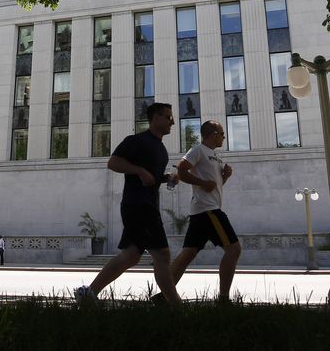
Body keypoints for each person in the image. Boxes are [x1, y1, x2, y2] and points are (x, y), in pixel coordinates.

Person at [75, 102, 182, 304]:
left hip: (146, 205)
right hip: (138, 205)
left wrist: (167, 178)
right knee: (162, 255)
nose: (173, 122)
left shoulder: (160, 148)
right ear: (156, 118)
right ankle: (175, 305)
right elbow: (113, 162)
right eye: (168, 117)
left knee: (132, 255)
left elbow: (152, 177)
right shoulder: (137, 141)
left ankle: (88, 294)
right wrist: (139, 171)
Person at [162, 120, 242, 302]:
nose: (223, 137)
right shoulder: (198, 150)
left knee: (188, 253)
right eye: (222, 134)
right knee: (234, 249)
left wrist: (224, 177)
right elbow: (182, 170)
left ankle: (164, 296)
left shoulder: (215, 155)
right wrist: (202, 183)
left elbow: (214, 186)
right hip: (208, 210)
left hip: (203, 210)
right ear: (213, 134)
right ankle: (223, 298)